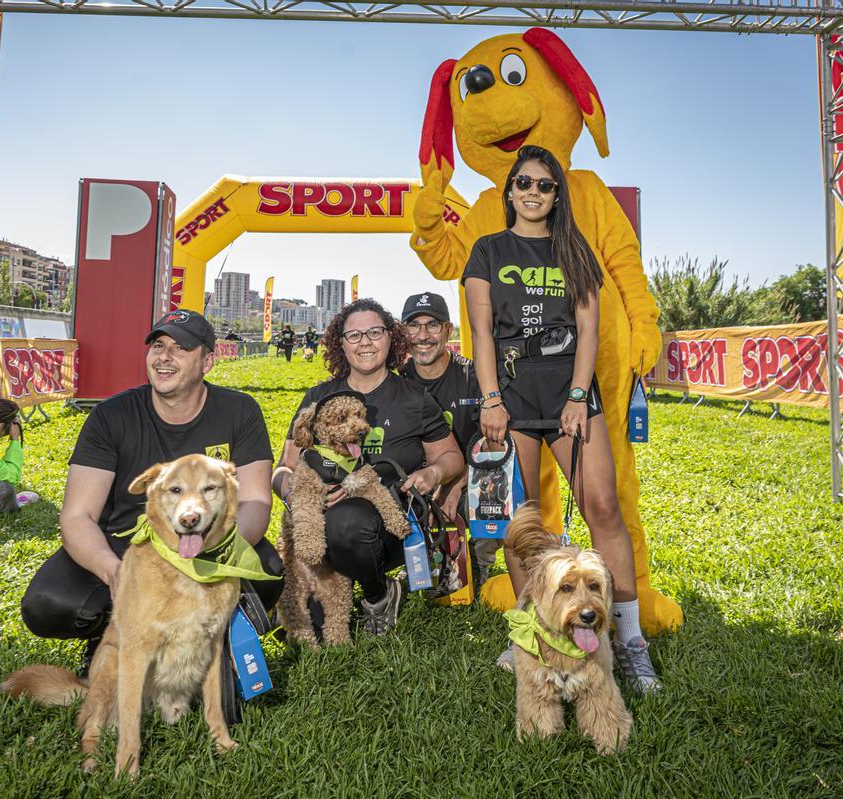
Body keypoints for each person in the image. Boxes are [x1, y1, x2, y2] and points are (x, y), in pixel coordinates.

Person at [463, 145, 660, 691]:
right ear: (510, 191)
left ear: (557, 194)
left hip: (570, 393)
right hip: (512, 395)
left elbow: (590, 329)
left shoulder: (574, 249)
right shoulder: (486, 250)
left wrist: (578, 394)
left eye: (544, 185)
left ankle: (631, 642)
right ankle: (529, 633)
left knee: (602, 508)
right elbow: (482, 333)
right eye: (523, 183)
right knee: (522, 522)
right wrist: (490, 400)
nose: (532, 192)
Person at [20, 309, 283, 671]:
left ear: (207, 361)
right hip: (126, 545)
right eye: (158, 345)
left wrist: (212, 554)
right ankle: (109, 633)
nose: (164, 357)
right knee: (49, 604)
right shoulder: (112, 416)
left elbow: (255, 500)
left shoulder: (240, 411)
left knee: (268, 571)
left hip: (207, 542)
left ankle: (202, 639)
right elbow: (78, 516)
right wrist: (115, 572)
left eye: (180, 348)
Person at [273, 298, 464, 636]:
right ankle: (328, 582)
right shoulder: (318, 397)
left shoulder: (414, 398)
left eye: (374, 332)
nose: (365, 342)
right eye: (354, 335)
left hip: (390, 524)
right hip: (320, 528)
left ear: (391, 338)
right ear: (340, 343)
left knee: (349, 521)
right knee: (311, 627)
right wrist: (298, 494)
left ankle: (379, 595)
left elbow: (451, 457)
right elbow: (283, 469)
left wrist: (432, 473)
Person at [396, 292, 492, 586]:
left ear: (448, 330)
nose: (423, 336)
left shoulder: (475, 376)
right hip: (418, 481)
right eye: (414, 326)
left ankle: (480, 560)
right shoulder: (395, 383)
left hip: (468, 477)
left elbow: (494, 445)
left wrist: (455, 483)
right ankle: (413, 556)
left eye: (433, 325)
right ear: (403, 333)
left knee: (492, 488)